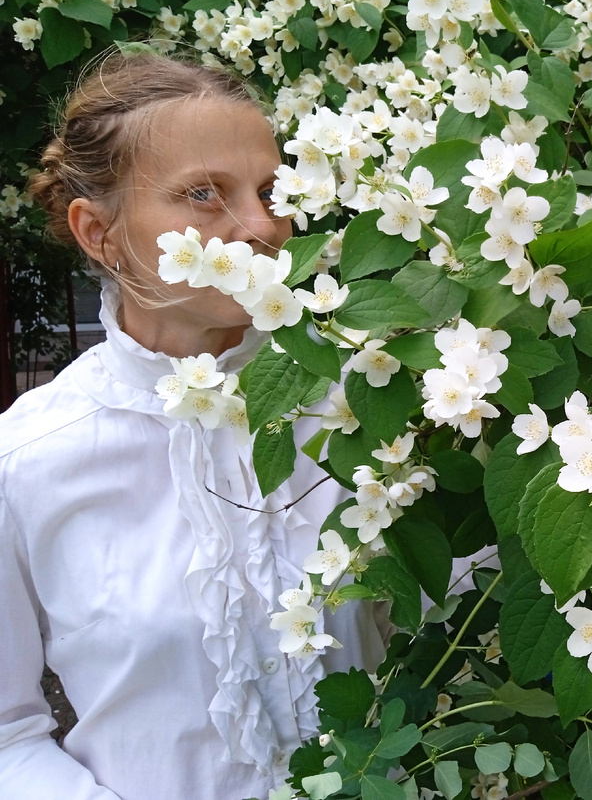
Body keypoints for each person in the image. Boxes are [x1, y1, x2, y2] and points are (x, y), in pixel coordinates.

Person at [0, 52, 386, 799]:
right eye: (203, 194)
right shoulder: (27, 461)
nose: (262, 227)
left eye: (271, 190)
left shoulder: (361, 406)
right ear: (99, 233)